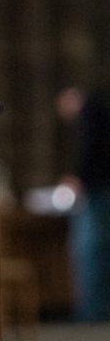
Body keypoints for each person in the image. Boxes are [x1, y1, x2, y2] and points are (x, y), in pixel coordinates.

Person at [55, 86, 110, 321]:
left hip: (98, 191)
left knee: (90, 250)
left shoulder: (92, 114)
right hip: (100, 188)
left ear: (71, 97)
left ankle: (92, 309)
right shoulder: (99, 113)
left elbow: (93, 152)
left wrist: (78, 178)